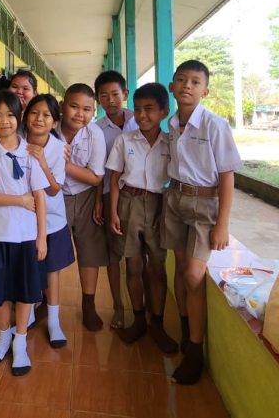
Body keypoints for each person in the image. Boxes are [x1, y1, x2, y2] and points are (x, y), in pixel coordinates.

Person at [164, 60, 242, 384]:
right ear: (172, 86)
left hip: (204, 206)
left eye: (195, 82)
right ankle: (186, 328)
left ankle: (196, 349)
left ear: (205, 91)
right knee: (181, 269)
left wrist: (222, 223)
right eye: (181, 80)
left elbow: (227, 176)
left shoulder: (215, 125)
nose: (187, 86)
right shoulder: (172, 124)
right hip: (174, 199)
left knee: (194, 275)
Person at [0, 91, 48, 377]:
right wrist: (19, 200)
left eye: (10, 115)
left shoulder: (30, 152)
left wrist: (41, 237)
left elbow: (39, 197)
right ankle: (4, 336)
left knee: (26, 291)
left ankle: (20, 341)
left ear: (20, 118)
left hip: (26, 234)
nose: (4, 121)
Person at [104, 83, 178, 353]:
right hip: (129, 204)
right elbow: (114, 178)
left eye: (149, 109)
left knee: (157, 267)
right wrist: (114, 212)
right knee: (133, 265)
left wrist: (165, 211)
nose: (142, 115)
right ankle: (138, 319)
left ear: (164, 112)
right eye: (137, 109)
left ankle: (157, 323)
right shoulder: (125, 140)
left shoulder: (171, 142)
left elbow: (175, 180)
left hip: (158, 205)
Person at [92, 71, 142, 329]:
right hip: (108, 194)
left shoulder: (141, 119)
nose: (110, 100)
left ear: (125, 93)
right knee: (113, 255)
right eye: (104, 96)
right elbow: (97, 169)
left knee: (138, 257)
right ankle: (118, 307)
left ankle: (141, 309)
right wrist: (99, 201)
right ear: (98, 99)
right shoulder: (96, 130)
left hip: (137, 195)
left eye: (115, 94)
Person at [24, 94, 74, 348]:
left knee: (52, 270)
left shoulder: (57, 148)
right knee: (29, 266)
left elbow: (54, 190)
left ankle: (54, 321)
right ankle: (30, 311)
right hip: (23, 218)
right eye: (34, 113)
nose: (39, 119)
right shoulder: (16, 140)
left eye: (46, 115)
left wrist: (42, 162)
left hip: (52, 219)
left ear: (55, 122)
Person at [58, 84, 107, 331]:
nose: (80, 114)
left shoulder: (94, 134)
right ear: (62, 106)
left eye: (87, 109)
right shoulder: (49, 128)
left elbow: (96, 177)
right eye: (74, 106)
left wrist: (63, 164)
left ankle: (89, 304)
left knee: (89, 252)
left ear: (93, 112)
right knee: (51, 251)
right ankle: (46, 302)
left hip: (86, 196)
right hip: (54, 197)